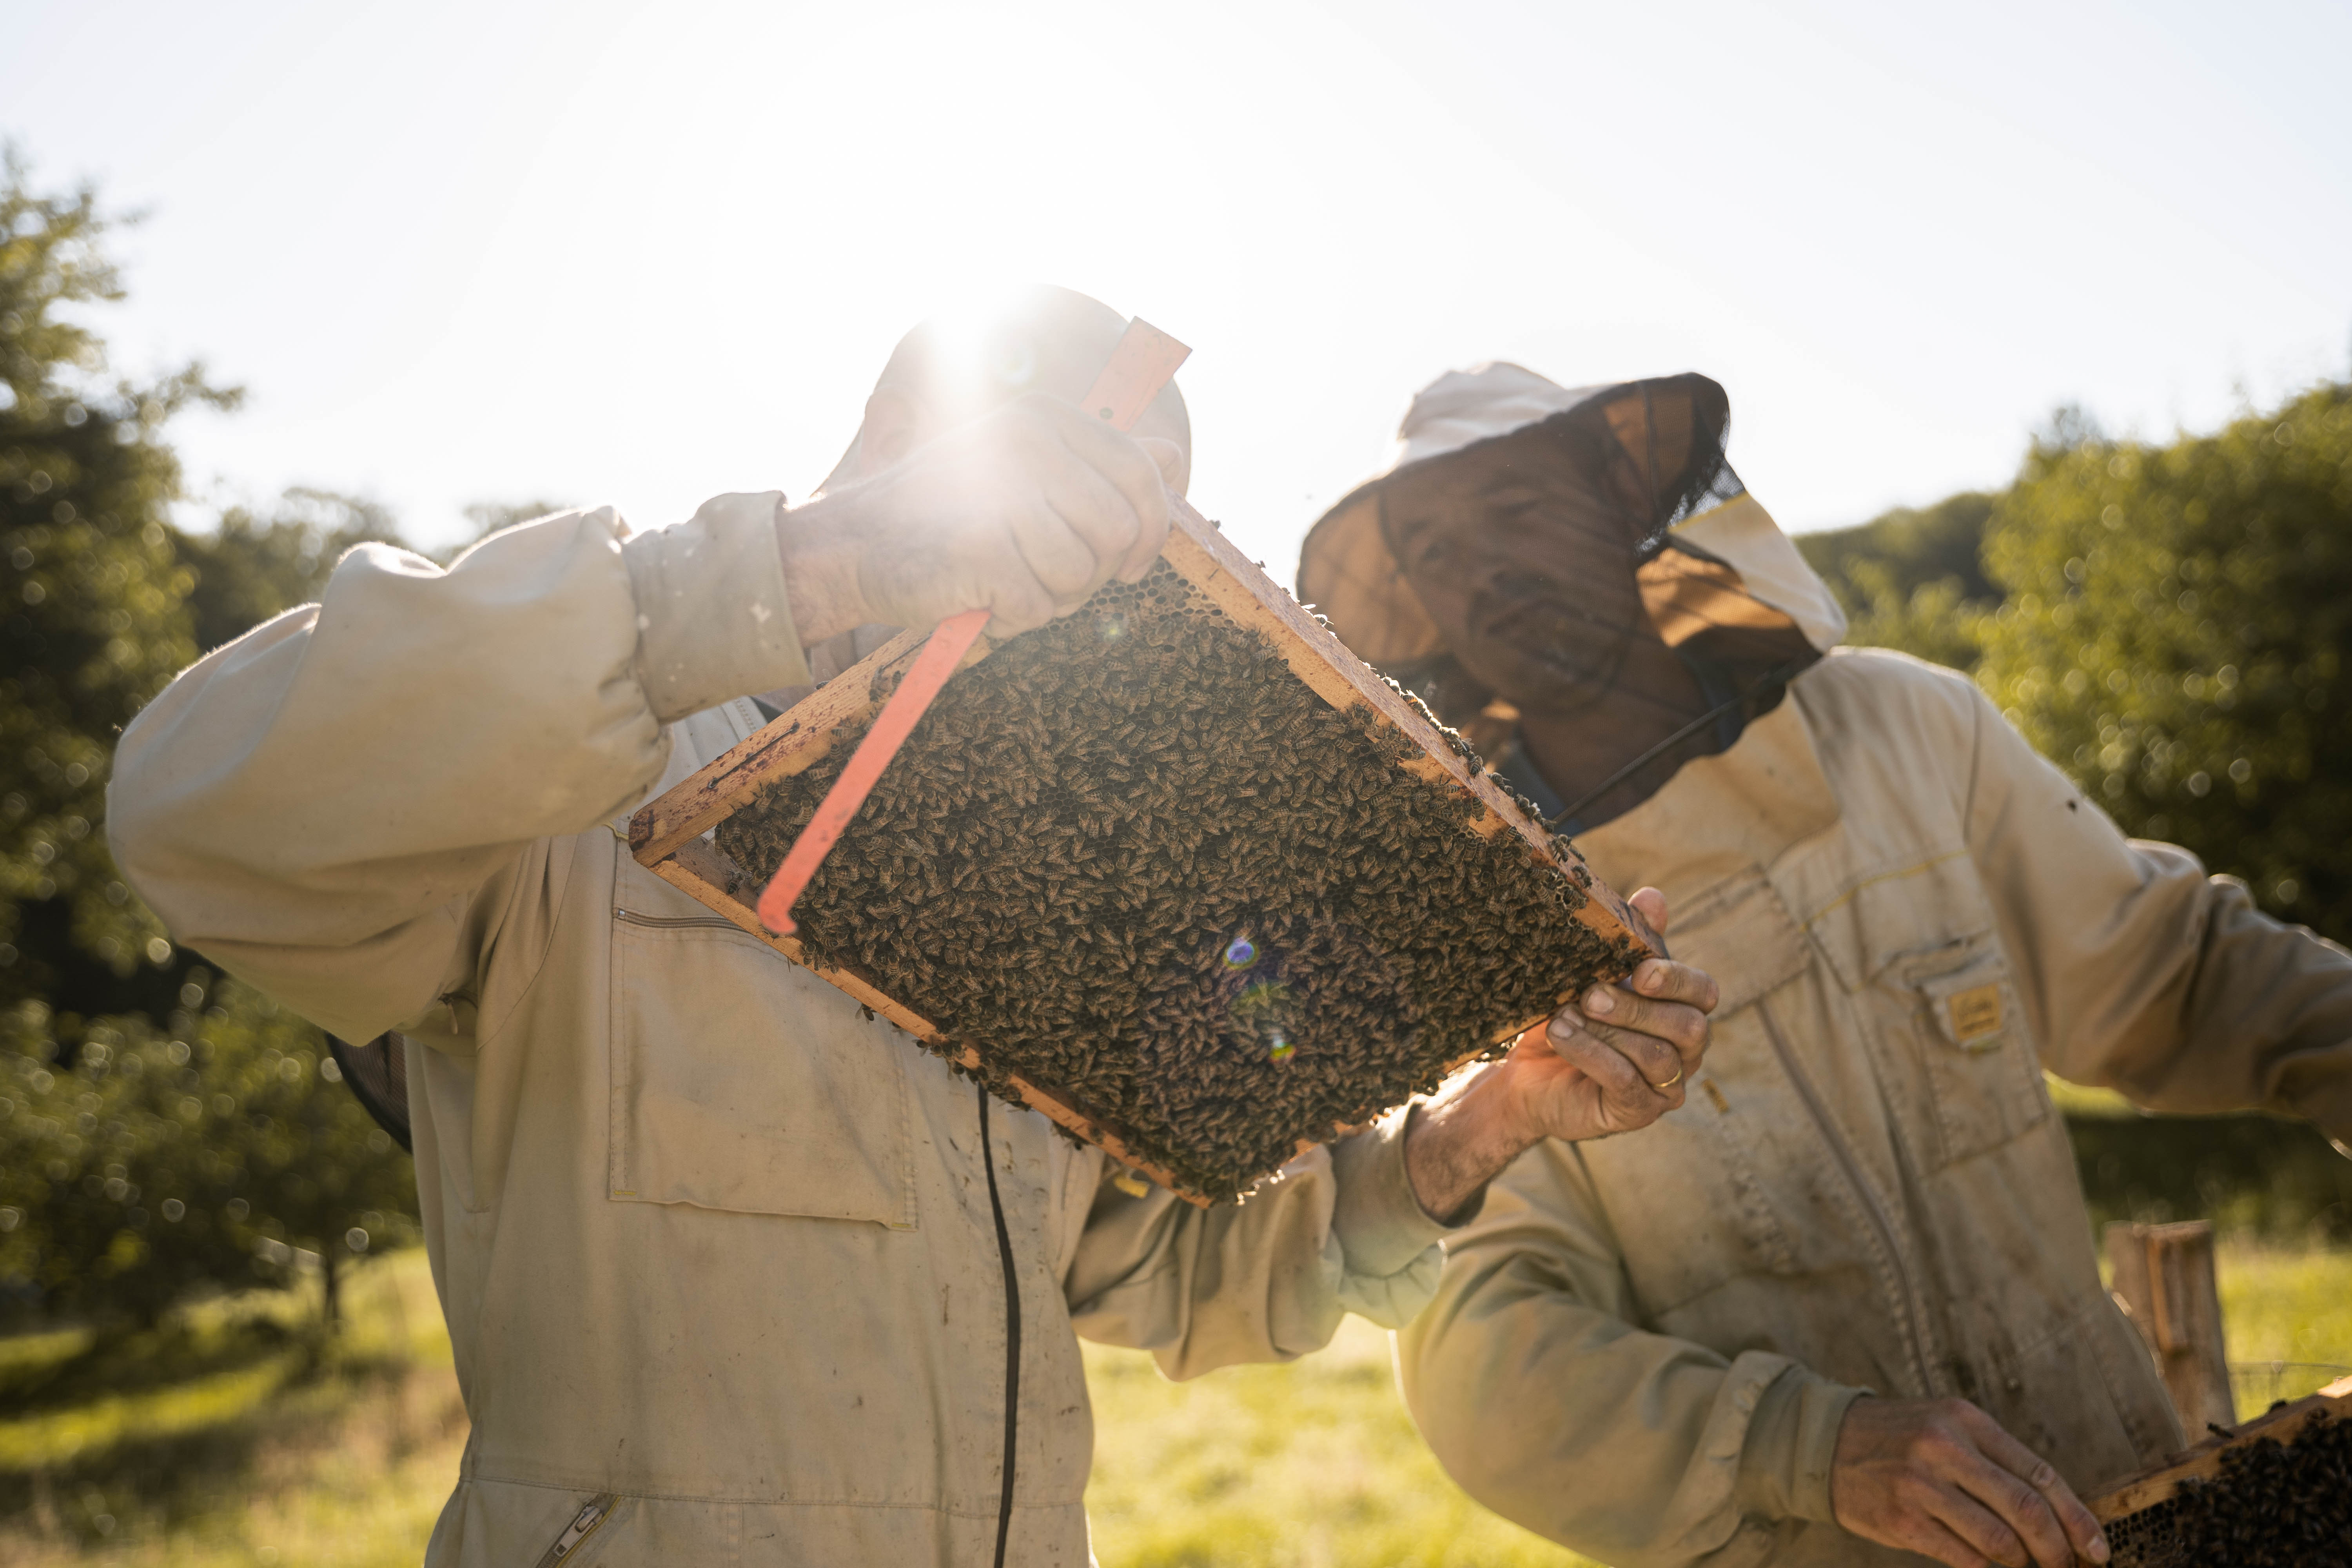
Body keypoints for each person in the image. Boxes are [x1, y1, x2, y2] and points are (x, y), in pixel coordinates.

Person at [105, 290, 1717, 1568]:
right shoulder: (571, 787)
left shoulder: (1062, 878)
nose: (1090, 573)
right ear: (894, 438)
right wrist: (816, 565)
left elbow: (1165, 1262)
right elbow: (201, 812)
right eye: (1063, 504)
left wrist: (1487, 1118)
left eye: (1136, 541)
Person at [1299, 363, 2352, 1568]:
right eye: (1432, 547)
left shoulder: (1908, 734)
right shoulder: (1470, 941)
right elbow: (1485, 1349)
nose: (1478, 566)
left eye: (1515, 507)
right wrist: (1808, 1446)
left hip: (2115, 1493)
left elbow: (2184, 972)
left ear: (1621, 495)